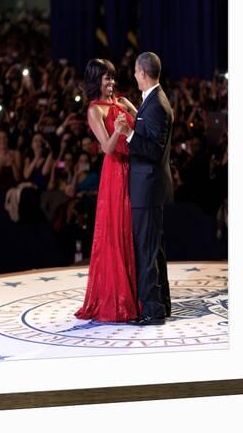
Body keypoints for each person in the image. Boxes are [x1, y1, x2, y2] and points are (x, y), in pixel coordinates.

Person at [74, 58, 140, 322]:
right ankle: (116, 299)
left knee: (130, 231)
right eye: (106, 78)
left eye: (112, 78)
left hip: (133, 170)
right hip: (114, 173)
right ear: (95, 81)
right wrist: (120, 131)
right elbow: (107, 147)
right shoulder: (94, 110)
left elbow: (143, 121)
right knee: (115, 231)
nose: (111, 83)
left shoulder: (122, 102)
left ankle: (135, 295)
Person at [115, 52, 173, 326]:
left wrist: (127, 133)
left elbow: (152, 148)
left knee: (146, 250)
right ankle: (162, 305)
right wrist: (134, 113)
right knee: (155, 249)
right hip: (150, 187)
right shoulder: (153, 101)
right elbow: (149, 130)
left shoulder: (157, 105)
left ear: (142, 73)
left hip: (147, 188)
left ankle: (152, 311)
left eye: (136, 72)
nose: (135, 76)